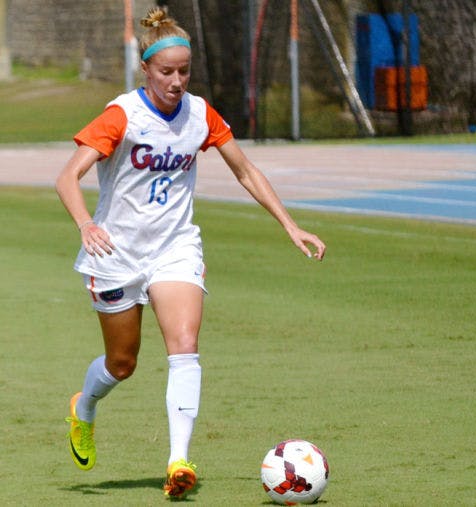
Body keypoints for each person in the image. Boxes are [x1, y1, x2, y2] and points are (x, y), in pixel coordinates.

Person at [56, 7, 326, 499]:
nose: (177, 81)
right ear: (147, 70)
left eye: (184, 71)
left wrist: (290, 224)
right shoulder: (122, 115)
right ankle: (85, 408)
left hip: (175, 246)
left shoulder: (201, 113)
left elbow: (245, 170)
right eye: (167, 72)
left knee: (184, 344)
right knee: (123, 363)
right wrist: (85, 223)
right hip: (115, 252)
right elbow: (67, 176)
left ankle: (179, 461)